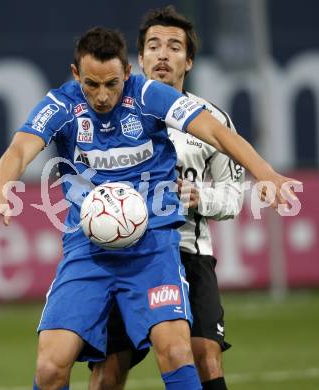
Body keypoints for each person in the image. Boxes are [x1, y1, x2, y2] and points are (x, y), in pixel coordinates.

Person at [0, 26, 296, 390]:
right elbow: (20, 149)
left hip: (152, 250)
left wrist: (264, 172)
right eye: (91, 84)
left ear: (128, 72)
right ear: (76, 75)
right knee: (50, 367)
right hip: (88, 253)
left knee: (177, 352)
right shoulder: (60, 105)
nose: (102, 96)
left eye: (112, 84)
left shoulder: (150, 95)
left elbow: (215, 131)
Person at [89, 7, 244, 390]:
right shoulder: (108, 117)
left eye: (174, 47)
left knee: (205, 354)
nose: (162, 54)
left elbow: (233, 197)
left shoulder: (212, 121)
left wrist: (199, 198)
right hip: (125, 255)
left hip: (189, 252)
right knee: (108, 370)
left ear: (188, 60)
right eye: (153, 46)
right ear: (138, 59)